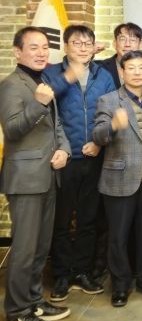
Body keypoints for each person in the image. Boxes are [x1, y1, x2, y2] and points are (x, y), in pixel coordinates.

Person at [1, 27, 72, 321]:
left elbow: (56, 127)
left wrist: (65, 150)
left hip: (48, 175)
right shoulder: (11, 85)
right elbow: (13, 129)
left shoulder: (41, 82)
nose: (42, 52)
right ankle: (17, 312)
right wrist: (39, 103)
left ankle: (33, 300)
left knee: (41, 247)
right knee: (25, 249)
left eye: (44, 47)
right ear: (18, 52)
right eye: (34, 47)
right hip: (26, 179)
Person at [42, 25, 115, 302]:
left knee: (88, 218)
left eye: (88, 43)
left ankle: (82, 271)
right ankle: (61, 274)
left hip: (94, 156)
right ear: (66, 46)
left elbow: (112, 111)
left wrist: (99, 143)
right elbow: (47, 109)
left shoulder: (102, 75)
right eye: (77, 43)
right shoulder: (51, 73)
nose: (83, 48)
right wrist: (69, 76)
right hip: (63, 158)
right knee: (61, 220)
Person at [92, 50, 142, 307]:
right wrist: (113, 125)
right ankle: (120, 286)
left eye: (141, 68)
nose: (136, 72)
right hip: (120, 179)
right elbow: (98, 136)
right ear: (122, 72)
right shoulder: (109, 100)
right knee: (118, 237)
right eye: (131, 68)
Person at [98, 23, 142, 89]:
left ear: (140, 45)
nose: (127, 44)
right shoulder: (100, 67)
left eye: (133, 40)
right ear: (114, 43)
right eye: (122, 39)